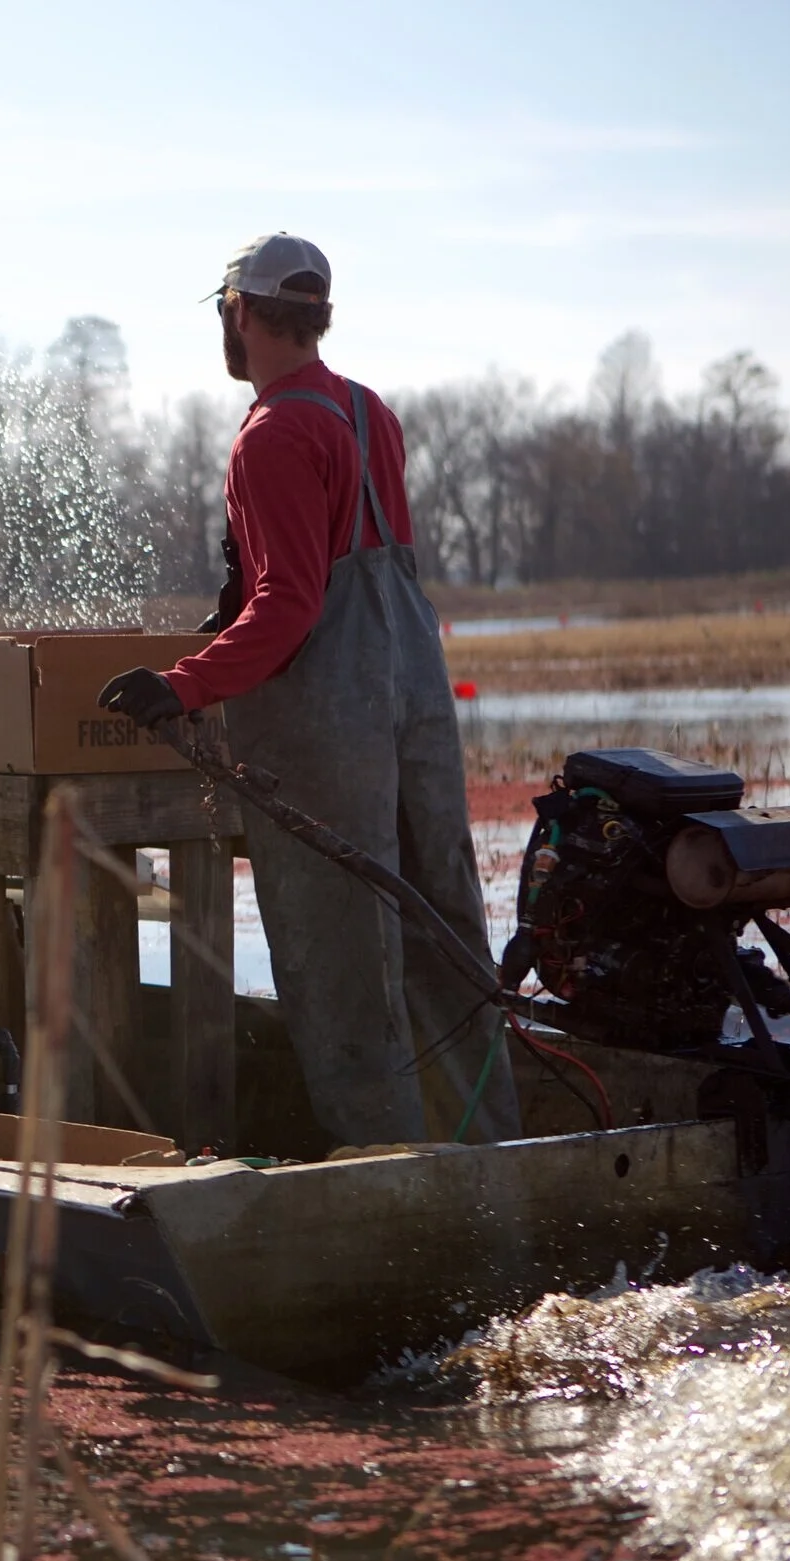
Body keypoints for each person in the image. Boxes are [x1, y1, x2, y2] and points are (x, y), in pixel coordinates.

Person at [98, 235, 520, 1150]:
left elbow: (292, 607)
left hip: (330, 723)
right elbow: (338, 567)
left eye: (223, 310)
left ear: (241, 313)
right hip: (410, 696)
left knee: (343, 956)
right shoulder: (368, 413)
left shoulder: (272, 434)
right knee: (441, 926)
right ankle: (490, 1152)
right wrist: (239, 588)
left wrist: (180, 685)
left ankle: (387, 1175)